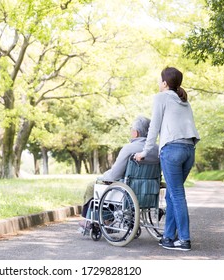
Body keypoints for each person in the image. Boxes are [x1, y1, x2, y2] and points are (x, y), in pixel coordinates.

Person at [135, 66, 200, 251]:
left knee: (177, 195)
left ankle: (185, 239)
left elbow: (153, 128)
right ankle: (169, 237)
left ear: (164, 83)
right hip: (189, 150)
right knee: (172, 195)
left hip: (172, 150)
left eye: (159, 80)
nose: (158, 83)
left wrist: (144, 153)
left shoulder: (161, 97)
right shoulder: (184, 101)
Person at [79, 115, 159, 230]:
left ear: (136, 133)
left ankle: (91, 221)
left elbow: (114, 175)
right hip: (149, 192)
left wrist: (102, 177)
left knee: (94, 186)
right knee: (113, 187)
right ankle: (105, 220)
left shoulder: (129, 148)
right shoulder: (157, 150)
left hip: (128, 192)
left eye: (131, 129)